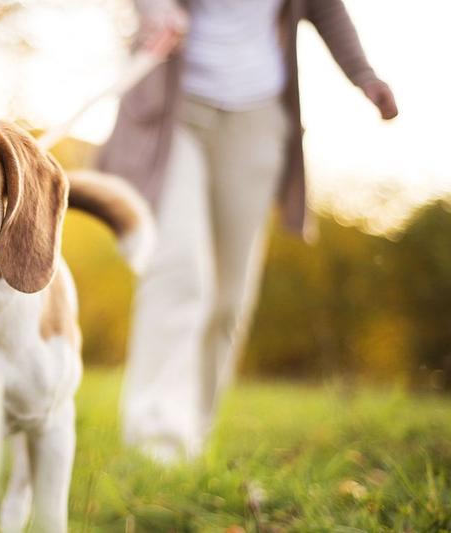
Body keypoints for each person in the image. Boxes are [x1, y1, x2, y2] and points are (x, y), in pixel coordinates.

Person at [98, 0, 398, 463]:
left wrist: (365, 75)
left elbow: (327, 8)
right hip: (175, 106)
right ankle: (154, 440)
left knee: (228, 296)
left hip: (258, 117)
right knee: (178, 271)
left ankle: (191, 433)